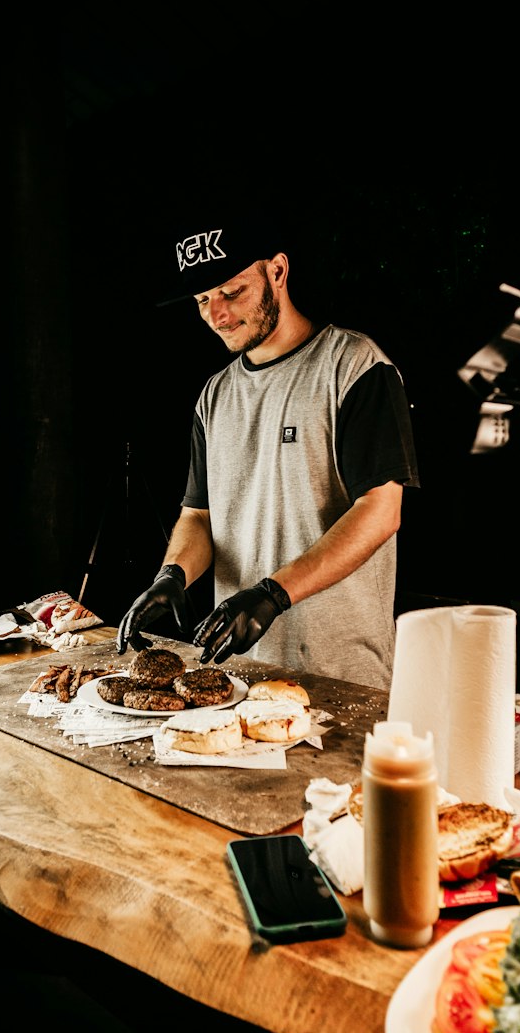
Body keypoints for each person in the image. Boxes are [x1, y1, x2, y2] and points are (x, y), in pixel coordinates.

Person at [116, 208, 420, 692]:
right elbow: (198, 516)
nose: (217, 314)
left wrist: (274, 594)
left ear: (276, 272)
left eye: (232, 292)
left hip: (340, 676)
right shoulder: (214, 397)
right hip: (237, 674)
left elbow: (381, 511)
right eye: (202, 299)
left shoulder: (354, 365)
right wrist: (172, 574)